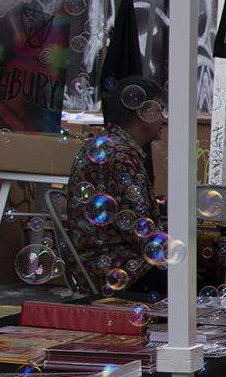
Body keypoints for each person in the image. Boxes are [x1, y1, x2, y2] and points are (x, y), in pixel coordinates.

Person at [67, 76, 170, 298]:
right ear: (142, 113)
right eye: (159, 110)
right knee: (200, 285)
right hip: (121, 273)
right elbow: (140, 233)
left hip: (108, 267)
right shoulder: (120, 158)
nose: (163, 119)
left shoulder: (109, 147)